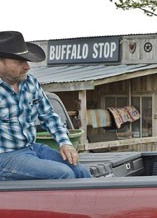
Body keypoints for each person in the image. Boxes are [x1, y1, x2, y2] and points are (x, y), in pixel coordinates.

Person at [0, 31, 92, 180]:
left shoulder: (30, 83)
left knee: (80, 171)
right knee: (63, 173)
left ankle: (94, 203)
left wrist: (65, 143)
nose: (27, 67)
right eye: (20, 62)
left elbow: (48, 115)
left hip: (31, 147)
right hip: (4, 156)